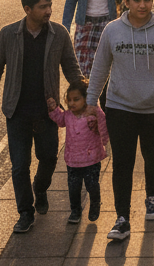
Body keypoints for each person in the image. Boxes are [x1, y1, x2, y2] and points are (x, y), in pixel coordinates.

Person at [87, 0, 154, 241]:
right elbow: (100, 68)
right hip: (120, 106)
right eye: (137, 0)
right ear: (126, 2)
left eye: (147, 0)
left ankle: (151, 197)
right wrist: (90, 101)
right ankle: (122, 218)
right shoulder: (112, 30)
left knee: (153, 155)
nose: (142, 5)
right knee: (122, 162)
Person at [0, 0, 84, 234]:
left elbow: (71, 67)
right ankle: (25, 213)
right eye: (43, 7)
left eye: (50, 5)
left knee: (49, 157)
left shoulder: (58, 33)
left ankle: (40, 188)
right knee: (19, 165)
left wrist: (84, 97)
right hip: (16, 111)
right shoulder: (9, 34)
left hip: (47, 112)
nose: (49, 10)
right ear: (27, 10)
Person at [47, 78, 109, 224]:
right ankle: (75, 211)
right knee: (73, 188)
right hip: (73, 160)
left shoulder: (93, 113)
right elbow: (60, 120)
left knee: (92, 185)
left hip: (91, 159)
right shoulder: (67, 115)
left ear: (86, 99)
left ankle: (95, 203)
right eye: (69, 100)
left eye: (76, 99)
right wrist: (53, 109)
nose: (72, 103)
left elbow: (103, 125)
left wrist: (104, 139)